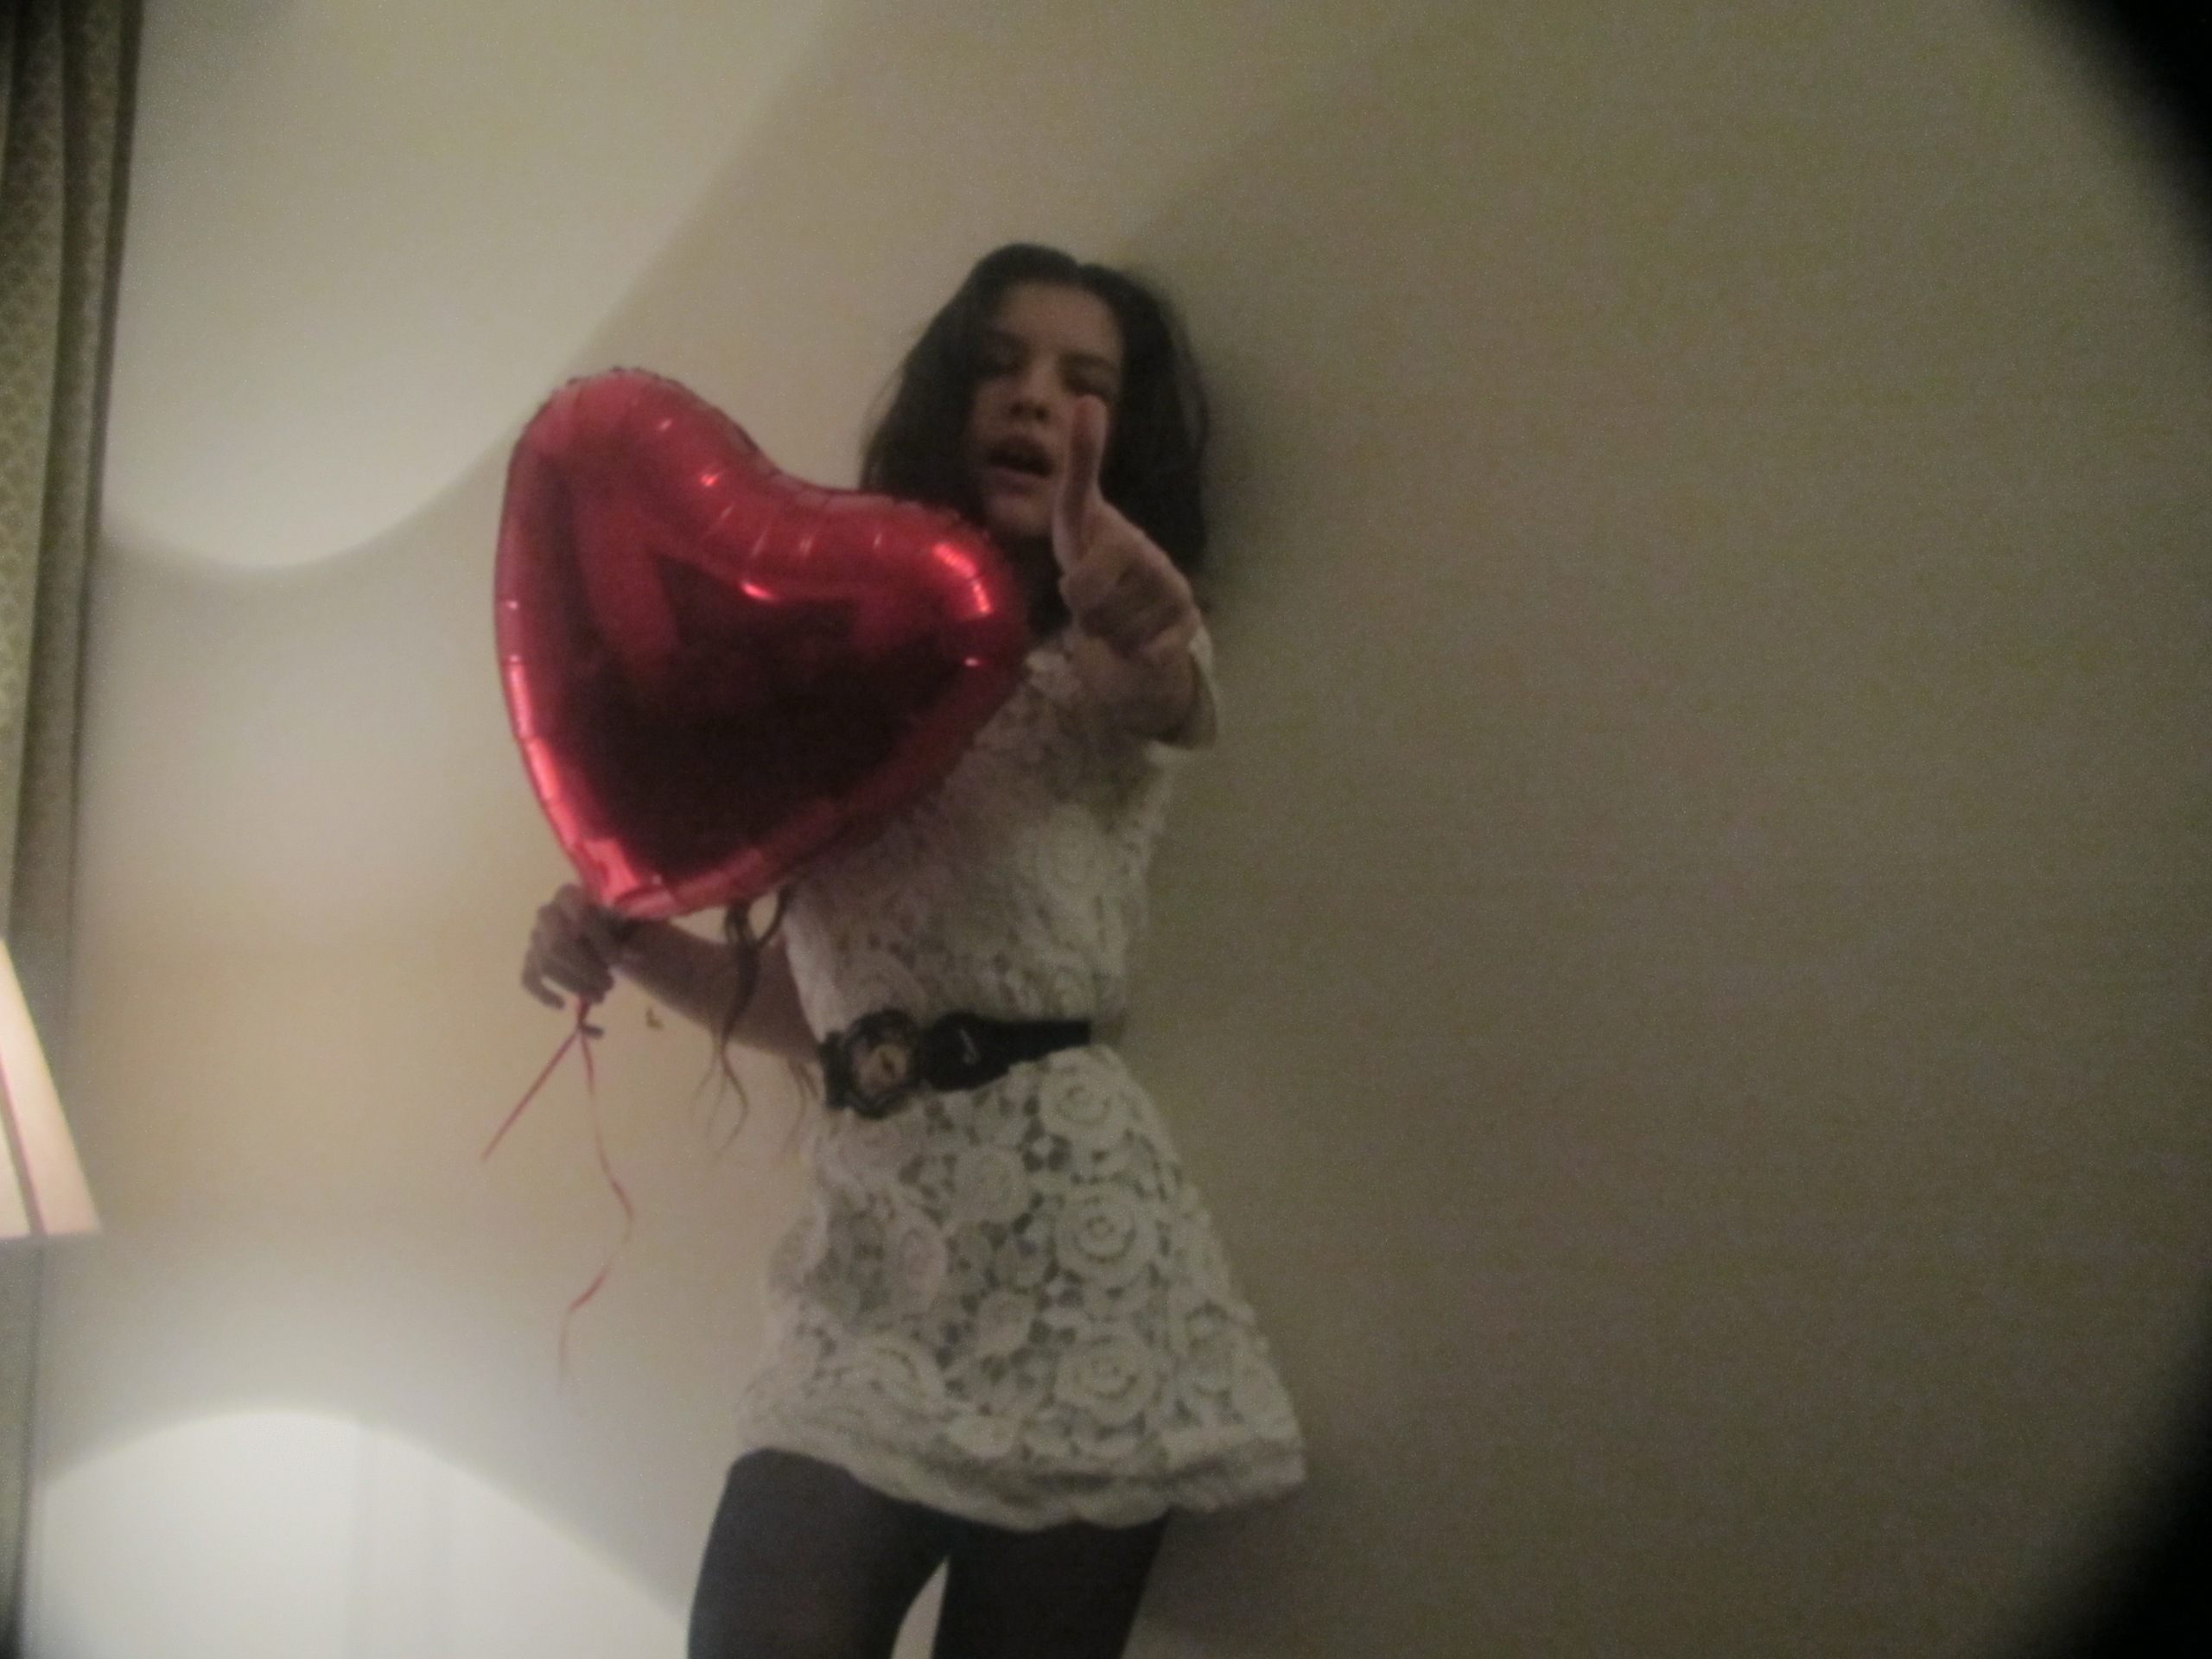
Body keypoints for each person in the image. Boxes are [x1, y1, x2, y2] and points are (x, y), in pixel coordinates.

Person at [521, 244, 1304, 1659]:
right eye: (1001, 365)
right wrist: (632, 944)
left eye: (1082, 381)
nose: (1034, 397)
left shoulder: (1100, 662)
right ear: (950, 396)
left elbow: (1162, 690)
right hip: (869, 1259)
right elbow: (831, 1016)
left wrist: (1139, 615)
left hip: (1078, 1256)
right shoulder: (844, 677)